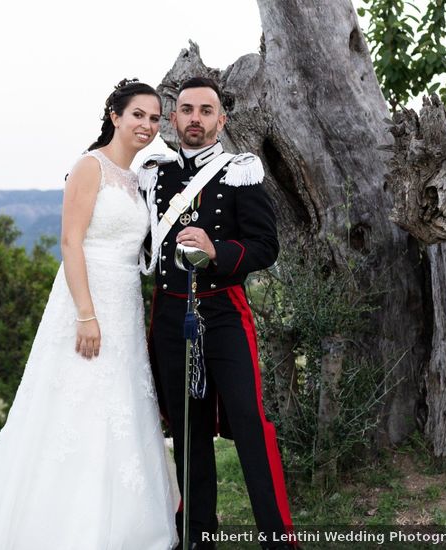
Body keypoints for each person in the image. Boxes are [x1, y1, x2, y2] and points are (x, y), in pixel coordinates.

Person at [0, 79, 179, 550]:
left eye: (155, 118)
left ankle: (124, 527)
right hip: (88, 299)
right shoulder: (89, 166)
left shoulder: (138, 179)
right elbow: (71, 242)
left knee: (118, 406)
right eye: (138, 114)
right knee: (74, 406)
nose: (147, 125)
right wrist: (86, 315)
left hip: (126, 304)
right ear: (115, 115)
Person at [138, 77, 296, 550]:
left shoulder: (239, 172)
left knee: (250, 423)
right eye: (186, 109)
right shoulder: (155, 174)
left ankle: (279, 539)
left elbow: (266, 246)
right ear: (172, 117)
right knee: (188, 429)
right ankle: (198, 537)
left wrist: (218, 250)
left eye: (206, 111)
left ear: (221, 120)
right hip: (170, 316)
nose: (195, 119)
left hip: (224, 312)